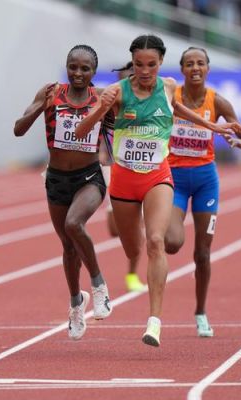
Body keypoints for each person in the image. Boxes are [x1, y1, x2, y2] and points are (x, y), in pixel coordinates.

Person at [75, 34, 241, 347]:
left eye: (151, 64)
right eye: (139, 64)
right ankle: (132, 255)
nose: (145, 70)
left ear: (161, 63)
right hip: (124, 181)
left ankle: (154, 321)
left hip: (158, 176)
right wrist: (102, 110)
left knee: (156, 240)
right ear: (133, 63)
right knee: (132, 247)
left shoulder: (167, 86)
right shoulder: (117, 92)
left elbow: (178, 109)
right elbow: (81, 130)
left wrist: (215, 127)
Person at [13, 45, 112, 341]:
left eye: (85, 69)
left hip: (89, 178)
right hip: (56, 179)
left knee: (74, 224)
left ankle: (99, 285)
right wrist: (38, 108)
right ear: (67, 67)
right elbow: (18, 129)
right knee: (69, 248)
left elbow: (122, 129)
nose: (78, 73)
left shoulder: (102, 98)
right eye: (73, 67)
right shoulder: (51, 92)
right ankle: (76, 304)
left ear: (94, 72)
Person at [164, 47, 241, 337]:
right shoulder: (170, 97)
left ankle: (201, 312)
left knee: (202, 254)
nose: (195, 68)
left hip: (205, 182)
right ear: (181, 69)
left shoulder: (218, 101)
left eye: (200, 63)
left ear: (208, 69)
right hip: (174, 178)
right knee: (172, 242)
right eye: (189, 64)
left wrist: (240, 143)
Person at [100, 62, 145, 292]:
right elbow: (100, 133)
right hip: (114, 166)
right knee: (114, 228)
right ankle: (134, 230)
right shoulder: (111, 101)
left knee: (139, 225)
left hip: (143, 169)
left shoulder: (147, 101)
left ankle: (132, 274)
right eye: (123, 78)